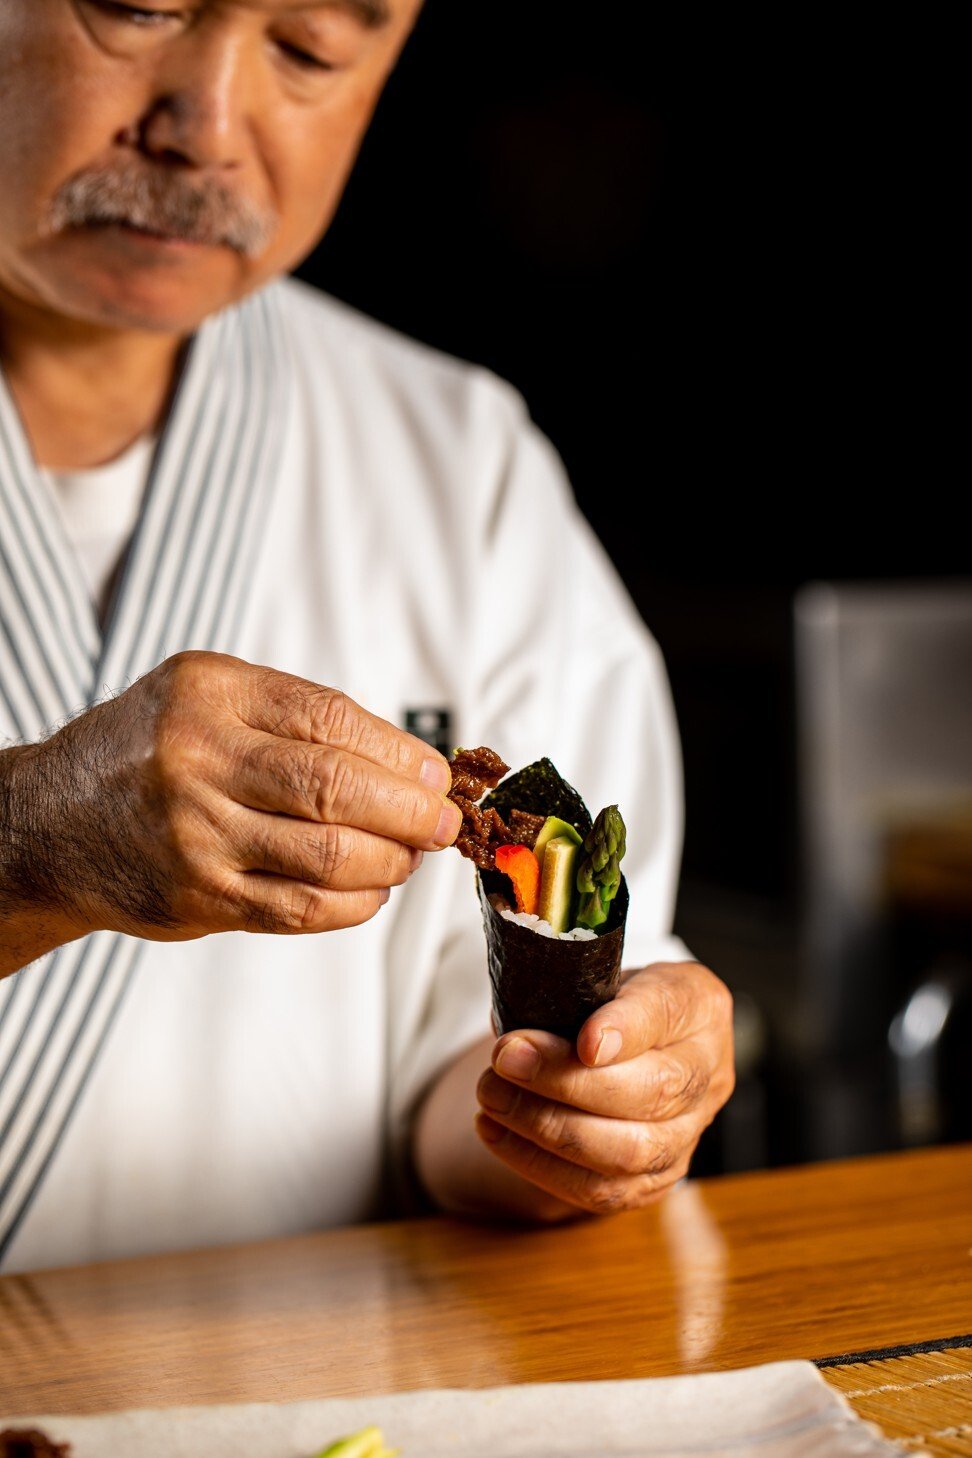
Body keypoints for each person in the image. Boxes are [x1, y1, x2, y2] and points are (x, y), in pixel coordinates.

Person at [0, 0, 735, 1275]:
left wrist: (579, 1116)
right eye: (135, 6)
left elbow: (463, 1089)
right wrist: (30, 845)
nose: (208, 128)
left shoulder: (461, 467)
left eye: (309, 50)